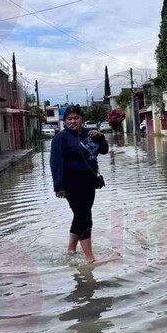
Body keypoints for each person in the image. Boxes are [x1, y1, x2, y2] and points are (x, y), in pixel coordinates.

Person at [50, 106, 109, 262]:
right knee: (85, 217)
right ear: (65, 121)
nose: (72, 121)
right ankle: (90, 259)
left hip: (89, 182)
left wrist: (101, 137)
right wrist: (59, 185)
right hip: (72, 184)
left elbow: (104, 151)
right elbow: (55, 163)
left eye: (75, 118)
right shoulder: (60, 139)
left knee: (80, 215)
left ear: (81, 118)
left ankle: (70, 250)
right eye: (69, 119)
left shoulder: (89, 134)